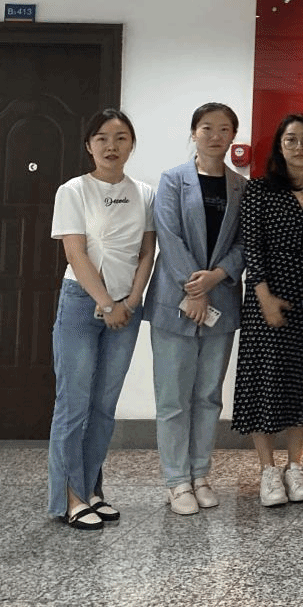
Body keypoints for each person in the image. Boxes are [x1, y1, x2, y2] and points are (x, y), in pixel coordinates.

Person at [48, 109, 157, 529]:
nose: (112, 146)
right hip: (82, 302)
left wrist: (131, 300)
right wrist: (107, 304)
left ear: (132, 144)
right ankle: (70, 497)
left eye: (121, 137)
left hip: (127, 307)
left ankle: (92, 489)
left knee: (104, 406)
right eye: (102, 138)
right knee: (73, 405)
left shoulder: (144, 193)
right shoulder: (73, 190)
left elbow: (146, 252)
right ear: (89, 145)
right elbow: (75, 253)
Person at [146, 102, 246, 516]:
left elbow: (244, 242)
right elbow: (168, 237)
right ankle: (176, 480)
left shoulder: (241, 186)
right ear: (193, 133)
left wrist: (215, 277)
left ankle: (200, 474)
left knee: (208, 396)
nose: (215, 136)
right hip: (176, 301)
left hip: (220, 300)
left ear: (233, 136)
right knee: (173, 398)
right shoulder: (173, 180)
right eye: (207, 128)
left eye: (224, 129)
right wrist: (195, 287)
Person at [231, 114, 303, 507]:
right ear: (279, 145)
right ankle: (267, 471)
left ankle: (295, 466)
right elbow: (252, 246)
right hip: (268, 298)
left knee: (302, 382)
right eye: (291, 139)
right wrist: (264, 297)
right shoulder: (259, 190)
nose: (299, 146)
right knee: (265, 382)